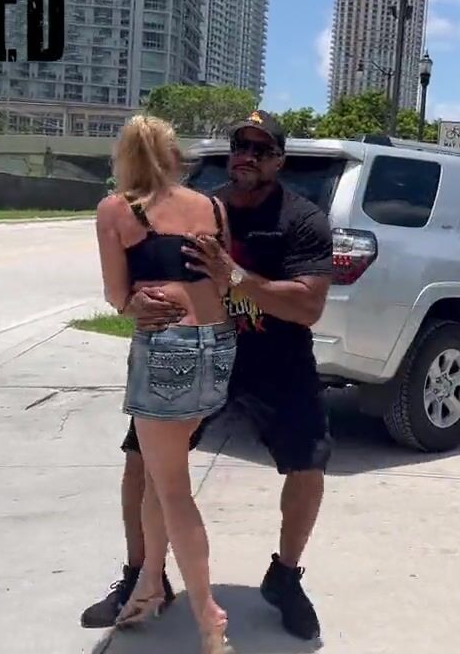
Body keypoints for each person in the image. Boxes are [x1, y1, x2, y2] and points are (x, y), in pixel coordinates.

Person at [81, 111, 333, 641]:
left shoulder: (301, 218)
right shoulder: (206, 203)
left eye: (261, 150)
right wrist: (134, 305)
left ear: (280, 161)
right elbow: (141, 271)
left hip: (274, 357)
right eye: (240, 145)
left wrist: (235, 276)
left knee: (308, 462)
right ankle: (142, 577)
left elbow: (309, 305)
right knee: (140, 462)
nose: (247, 156)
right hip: (208, 349)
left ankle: (286, 578)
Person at [94, 114, 237, 654]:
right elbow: (224, 278)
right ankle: (150, 586)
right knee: (159, 476)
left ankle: (208, 617)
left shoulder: (117, 209)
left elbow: (117, 294)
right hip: (218, 347)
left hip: (167, 350)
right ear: (174, 155)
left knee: (172, 488)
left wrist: (133, 301)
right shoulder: (213, 208)